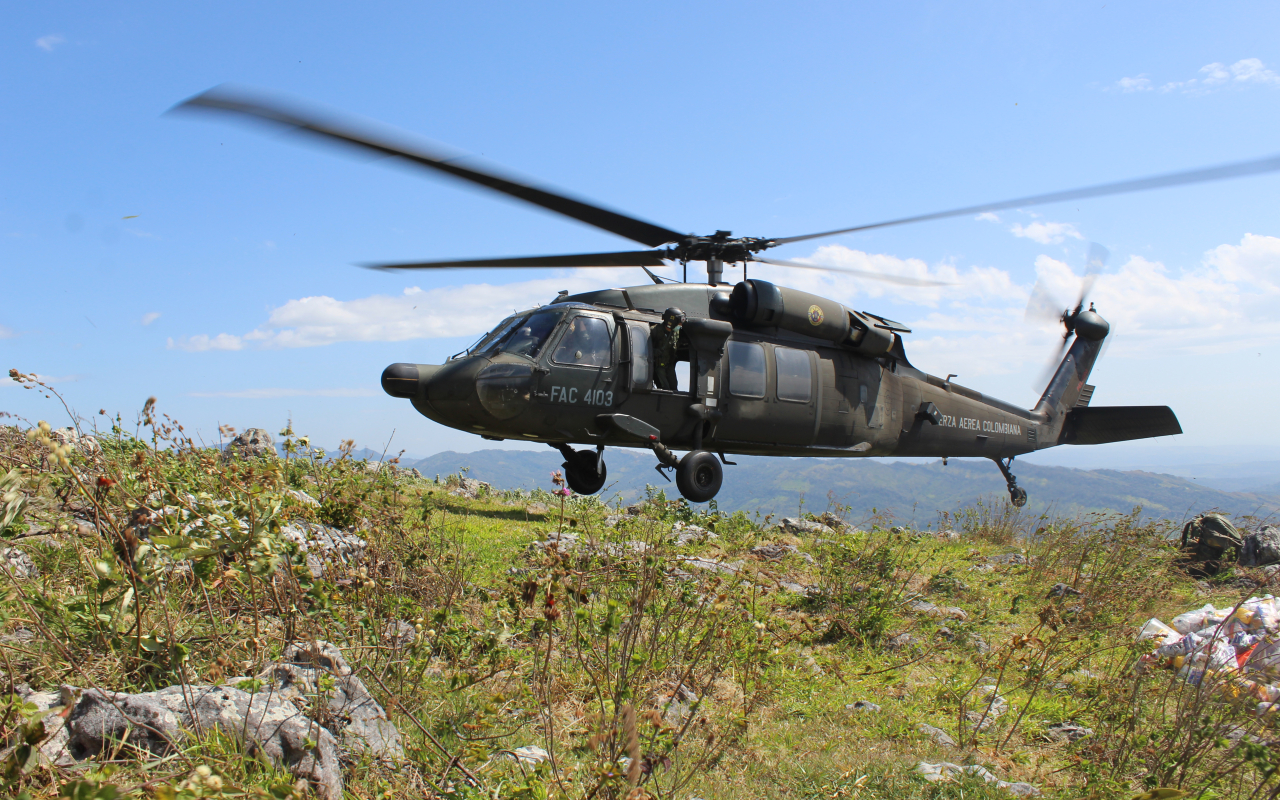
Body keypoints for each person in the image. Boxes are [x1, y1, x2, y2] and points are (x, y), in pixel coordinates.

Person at [650, 307, 685, 390]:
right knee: (665, 388)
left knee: (674, 387)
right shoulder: (655, 331)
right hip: (658, 366)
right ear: (671, 322)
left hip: (669, 365)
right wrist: (654, 352)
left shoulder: (676, 332)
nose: (680, 326)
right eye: (679, 324)